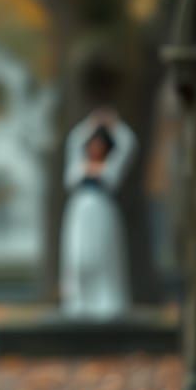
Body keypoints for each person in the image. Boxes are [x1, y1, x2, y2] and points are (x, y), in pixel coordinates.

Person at [58, 107, 138, 318]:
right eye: (93, 144)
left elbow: (128, 145)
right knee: (78, 256)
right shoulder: (78, 165)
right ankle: (79, 300)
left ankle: (105, 302)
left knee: (102, 256)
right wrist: (90, 124)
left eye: (100, 145)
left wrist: (115, 125)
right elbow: (74, 142)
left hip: (102, 213)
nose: (95, 148)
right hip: (80, 214)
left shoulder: (111, 167)